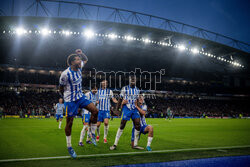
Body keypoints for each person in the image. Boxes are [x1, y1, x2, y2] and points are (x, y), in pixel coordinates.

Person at [59, 49, 98, 158]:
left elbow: (86, 59)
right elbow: (61, 88)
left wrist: (80, 54)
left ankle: (92, 134)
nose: (80, 61)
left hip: (80, 96)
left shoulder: (80, 67)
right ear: (72, 63)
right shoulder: (65, 74)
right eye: (77, 59)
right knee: (69, 123)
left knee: (95, 111)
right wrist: (66, 98)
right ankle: (69, 146)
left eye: (79, 59)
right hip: (70, 100)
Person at [110, 75, 142, 150]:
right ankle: (115, 144)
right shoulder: (125, 88)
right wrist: (117, 109)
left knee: (138, 125)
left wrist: (140, 110)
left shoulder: (137, 89)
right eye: (132, 79)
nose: (133, 80)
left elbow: (137, 101)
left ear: (136, 80)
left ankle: (136, 144)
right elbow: (120, 99)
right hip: (126, 108)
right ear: (129, 80)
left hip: (134, 109)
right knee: (122, 125)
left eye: (134, 79)